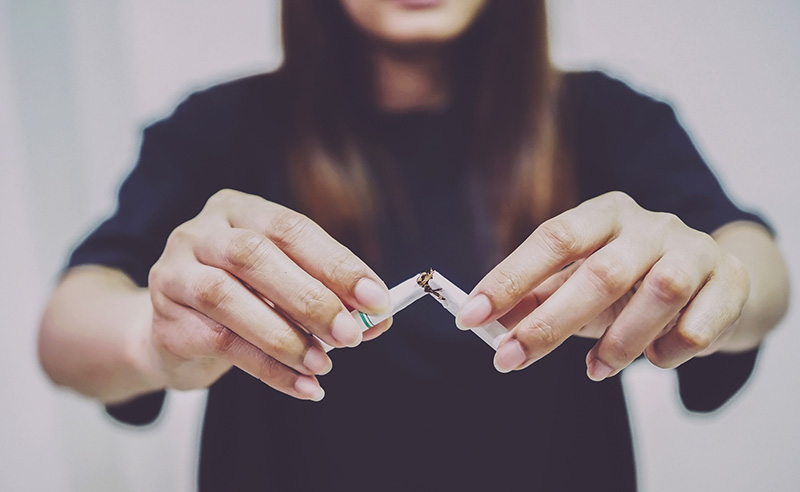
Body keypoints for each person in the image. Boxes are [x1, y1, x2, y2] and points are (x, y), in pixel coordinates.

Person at [38, 1, 789, 490]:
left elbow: (759, 266)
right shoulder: (216, 130)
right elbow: (64, 330)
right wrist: (151, 337)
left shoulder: (610, 119)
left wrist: (722, 278)